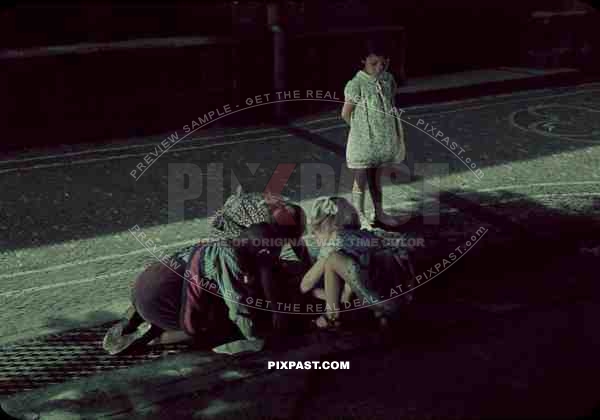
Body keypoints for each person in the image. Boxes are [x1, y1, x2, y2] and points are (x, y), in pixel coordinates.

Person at [103, 194, 309, 355]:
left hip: (146, 284)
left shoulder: (241, 231)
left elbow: (276, 258)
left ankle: (133, 318)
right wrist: (259, 332)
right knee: (218, 329)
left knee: (177, 281)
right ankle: (152, 337)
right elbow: (239, 307)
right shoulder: (233, 259)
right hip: (161, 302)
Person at [299, 196, 415, 330]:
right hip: (402, 295)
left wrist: (317, 293)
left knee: (332, 261)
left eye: (315, 233)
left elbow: (305, 285)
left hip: (377, 300)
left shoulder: (336, 240)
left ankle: (331, 317)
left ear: (326, 227)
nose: (315, 238)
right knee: (358, 267)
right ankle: (383, 318)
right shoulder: (369, 234)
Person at [341, 39, 407, 229]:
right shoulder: (356, 84)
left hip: (381, 139)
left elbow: (390, 104)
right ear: (363, 61)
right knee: (360, 177)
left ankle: (379, 213)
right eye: (374, 64)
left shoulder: (387, 80)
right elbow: (346, 113)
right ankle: (359, 215)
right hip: (363, 141)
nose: (379, 68)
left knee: (376, 178)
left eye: (383, 63)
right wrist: (360, 131)